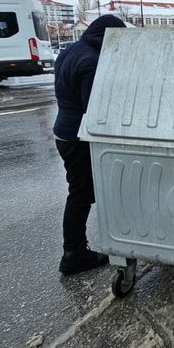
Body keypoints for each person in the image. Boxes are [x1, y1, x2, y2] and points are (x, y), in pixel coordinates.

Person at [52, 15, 126, 275]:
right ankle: (74, 254)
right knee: (81, 195)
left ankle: (76, 250)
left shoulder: (70, 51)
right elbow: (93, 110)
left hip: (64, 132)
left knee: (81, 192)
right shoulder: (93, 62)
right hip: (78, 137)